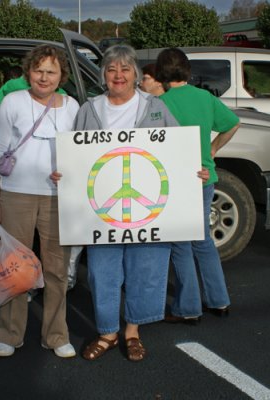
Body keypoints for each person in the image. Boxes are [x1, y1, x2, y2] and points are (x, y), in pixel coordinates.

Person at [52, 45, 178, 362]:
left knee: (143, 268)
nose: (118, 75)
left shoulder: (156, 108)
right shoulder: (89, 109)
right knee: (101, 272)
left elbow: (178, 148)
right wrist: (64, 174)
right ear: (103, 75)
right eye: (111, 69)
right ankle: (108, 331)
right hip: (102, 209)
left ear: (135, 73)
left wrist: (194, 171)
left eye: (124, 69)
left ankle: (132, 331)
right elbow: (75, 154)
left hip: (147, 209)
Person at [0, 44, 80, 358]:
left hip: (58, 199)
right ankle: (9, 335)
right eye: (38, 70)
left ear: (61, 76)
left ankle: (56, 335)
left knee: (56, 269)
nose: (44, 77)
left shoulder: (72, 107)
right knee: (14, 269)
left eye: (51, 71)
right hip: (16, 197)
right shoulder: (13, 102)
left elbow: (82, 155)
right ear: (28, 72)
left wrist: (70, 173)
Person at [155, 48, 240, 323]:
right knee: (203, 241)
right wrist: (213, 149)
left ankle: (188, 308)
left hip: (176, 181)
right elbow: (232, 123)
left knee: (181, 244)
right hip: (204, 177)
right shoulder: (204, 97)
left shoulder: (159, 104)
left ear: (160, 73)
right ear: (187, 71)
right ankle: (219, 300)